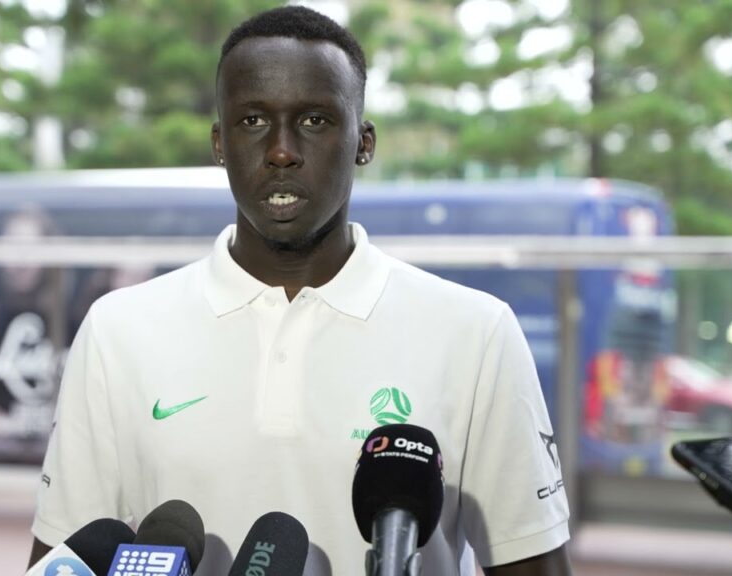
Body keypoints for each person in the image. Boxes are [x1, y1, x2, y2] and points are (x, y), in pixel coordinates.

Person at [29, 6, 571, 575]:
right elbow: (62, 559)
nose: (282, 150)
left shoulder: (477, 334)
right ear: (219, 143)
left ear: (363, 142)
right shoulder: (117, 331)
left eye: (314, 120)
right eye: (252, 120)